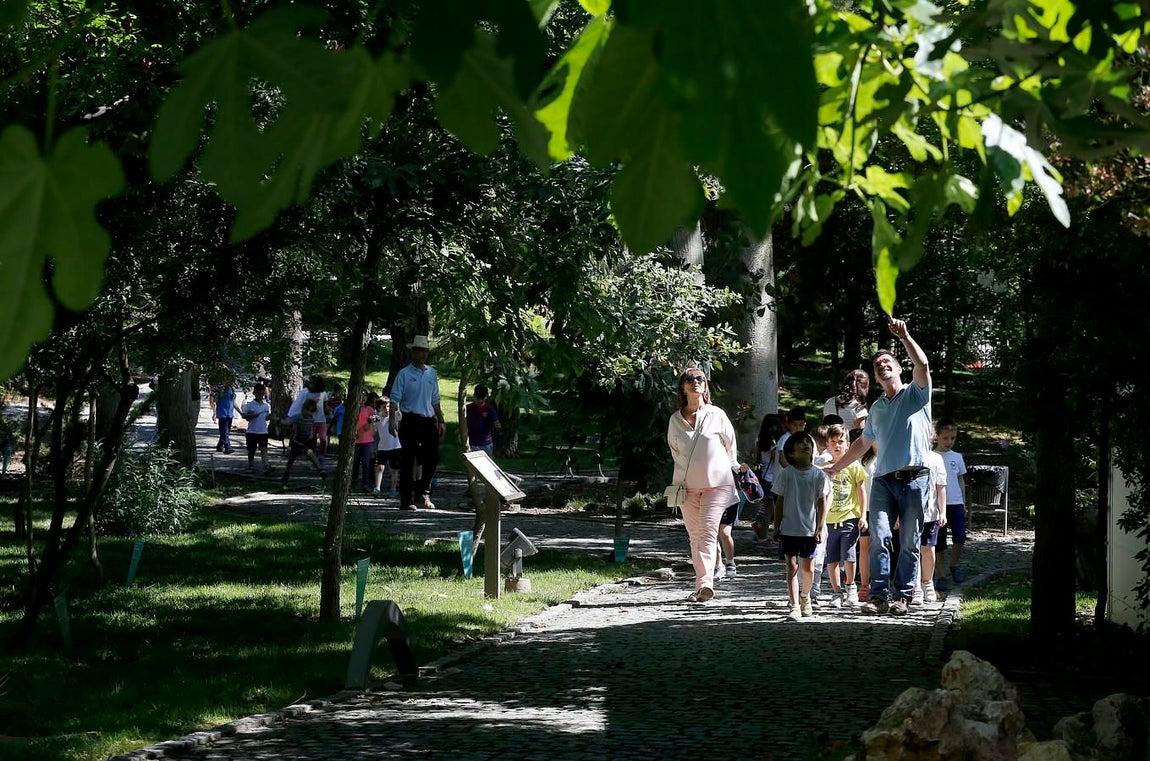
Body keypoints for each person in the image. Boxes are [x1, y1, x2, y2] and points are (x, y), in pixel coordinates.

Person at [827, 314, 932, 617]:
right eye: (877, 365)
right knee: (878, 538)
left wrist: (904, 337)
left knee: (909, 542)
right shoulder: (876, 407)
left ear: (899, 369)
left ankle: (903, 596)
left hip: (915, 478)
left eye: (888, 362)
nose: (883, 365)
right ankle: (878, 596)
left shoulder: (917, 394)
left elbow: (923, 365)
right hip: (884, 481)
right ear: (874, 377)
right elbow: (862, 443)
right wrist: (836, 467)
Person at [666, 367, 743, 603]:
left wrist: (733, 466)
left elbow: (730, 445)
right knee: (694, 535)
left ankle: (705, 584)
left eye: (700, 378)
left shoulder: (716, 414)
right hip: (687, 487)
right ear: (683, 387)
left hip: (717, 485)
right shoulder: (675, 420)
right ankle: (702, 584)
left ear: (705, 385)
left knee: (708, 532)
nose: (695, 382)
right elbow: (675, 451)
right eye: (689, 379)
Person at [772, 432, 831, 621]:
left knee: (808, 568)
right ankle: (795, 604)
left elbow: (822, 502)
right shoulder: (786, 475)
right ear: (791, 453)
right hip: (789, 528)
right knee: (791, 566)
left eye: (808, 442)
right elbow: (779, 502)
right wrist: (776, 526)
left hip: (809, 530)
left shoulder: (819, 475)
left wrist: (820, 527)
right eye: (800, 443)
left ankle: (805, 595)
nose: (806, 444)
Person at [388, 335, 446, 511]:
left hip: (428, 420)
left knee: (433, 457)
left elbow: (435, 399)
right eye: (420, 350)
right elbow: (394, 399)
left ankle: (423, 492)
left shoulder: (431, 373)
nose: (423, 354)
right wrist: (392, 420)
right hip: (410, 419)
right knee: (408, 459)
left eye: (425, 351)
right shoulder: (404, 373)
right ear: (413, 352)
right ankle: (406, 500)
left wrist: (441, 420)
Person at [821, 423, 868, 607]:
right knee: (831, 558)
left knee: (849, 555)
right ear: (827, 444)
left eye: (840, 442)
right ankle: (836, 592)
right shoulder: (824, 468)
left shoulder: (854, 466)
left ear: (848, 444)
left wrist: (862, 515)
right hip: (829, 519)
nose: (837, 445)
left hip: (849, 517)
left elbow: (862, 492)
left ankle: (850, 586)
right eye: (833, 442)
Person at [934, 418, 969, 586]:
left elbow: (960, 479)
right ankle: (941, 575)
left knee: (960, 536)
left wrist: (964, 502)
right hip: (937, 504)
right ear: (937, 436)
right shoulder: (932, 456)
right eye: (945, 438)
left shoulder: (957, 457)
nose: (949, 442)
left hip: (956, 502)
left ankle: (954, 565)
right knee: (938, 541)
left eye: (952, 438)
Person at [914, 447, 947, 604]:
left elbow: (941, 487)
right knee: (912, 550)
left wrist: (943, 511)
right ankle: (916, 587)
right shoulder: (908, 455)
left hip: (931, 513)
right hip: (910, 513)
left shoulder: (936, 458)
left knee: (928, 549)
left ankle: (927, 583)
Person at [750, 413, 783, 543]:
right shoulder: (773, 442)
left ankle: (758, 525)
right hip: (771, 478)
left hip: (763, 476)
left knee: (766, 506)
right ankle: (763, 537)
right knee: (769, 509)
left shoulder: (761, 440)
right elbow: (776, 459)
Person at [281, 399, 326, 483]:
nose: (309, 413)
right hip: (297, 440)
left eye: (311, 411)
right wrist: (279, 420)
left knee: (311, 453)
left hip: (308, 440)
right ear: (303, 408)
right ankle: (287, 473)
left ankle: (321, 470)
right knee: (292, 457)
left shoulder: (312, 419)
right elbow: (287, 422)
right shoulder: (298, 417)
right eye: (307, 410)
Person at [288, 375, 330, 460]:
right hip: (311, 420)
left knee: (323, 439)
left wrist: (329, 410)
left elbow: (325, 407)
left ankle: (321, 456)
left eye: (313, 383)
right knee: (312, 439)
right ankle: (312, 456)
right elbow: (304, 406)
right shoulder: (307, 394)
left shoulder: (324, 394)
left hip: (321, 420)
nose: (311, 385)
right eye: (310, 383)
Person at [240, 382, 272, 474]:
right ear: (254, 393)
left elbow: (266, 418)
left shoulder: (265, 405)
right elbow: (244, 416)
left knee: (264, 449)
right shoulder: (250, 405)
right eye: (259, 394)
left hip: (263, 431)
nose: (260, 396)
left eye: (262, 394)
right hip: (252, 431)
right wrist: (252, 415)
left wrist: (271, 416)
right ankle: (251, 465)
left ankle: (266, 465)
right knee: (251, 450)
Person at [373, 395, 402, 497]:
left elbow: (400, 413)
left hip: (395, 447)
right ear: (379, 408)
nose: (387, 409)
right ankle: (377, 488)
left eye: (388, 406)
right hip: (382, 447)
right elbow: (373, 432)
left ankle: (393, 489)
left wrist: (396, 404)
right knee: (380, 467)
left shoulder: (395, 416)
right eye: (384, 407)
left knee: (394, 469)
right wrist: (372, 422)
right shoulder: (378, 418)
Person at [352, 392, 378, 491]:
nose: (362, 398)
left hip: (367, 440)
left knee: (366, 463)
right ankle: (353, 482)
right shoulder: (353, 408)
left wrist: (370, 422)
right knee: (354, 462)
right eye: (360, 396)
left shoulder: (369, 409)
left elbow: (376, 418)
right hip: (355, 439)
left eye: (364, 396)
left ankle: (365, 484)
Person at [465, 384, 501, 456]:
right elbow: (464, 423)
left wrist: (497, 425)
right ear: (474, 396)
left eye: (482, 398)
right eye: (477, 398)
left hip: (486, 443)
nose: (480, 400)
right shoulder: (468, 408)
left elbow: (496, 422)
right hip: (472, 443)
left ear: (486, 397)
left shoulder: (489, 409)